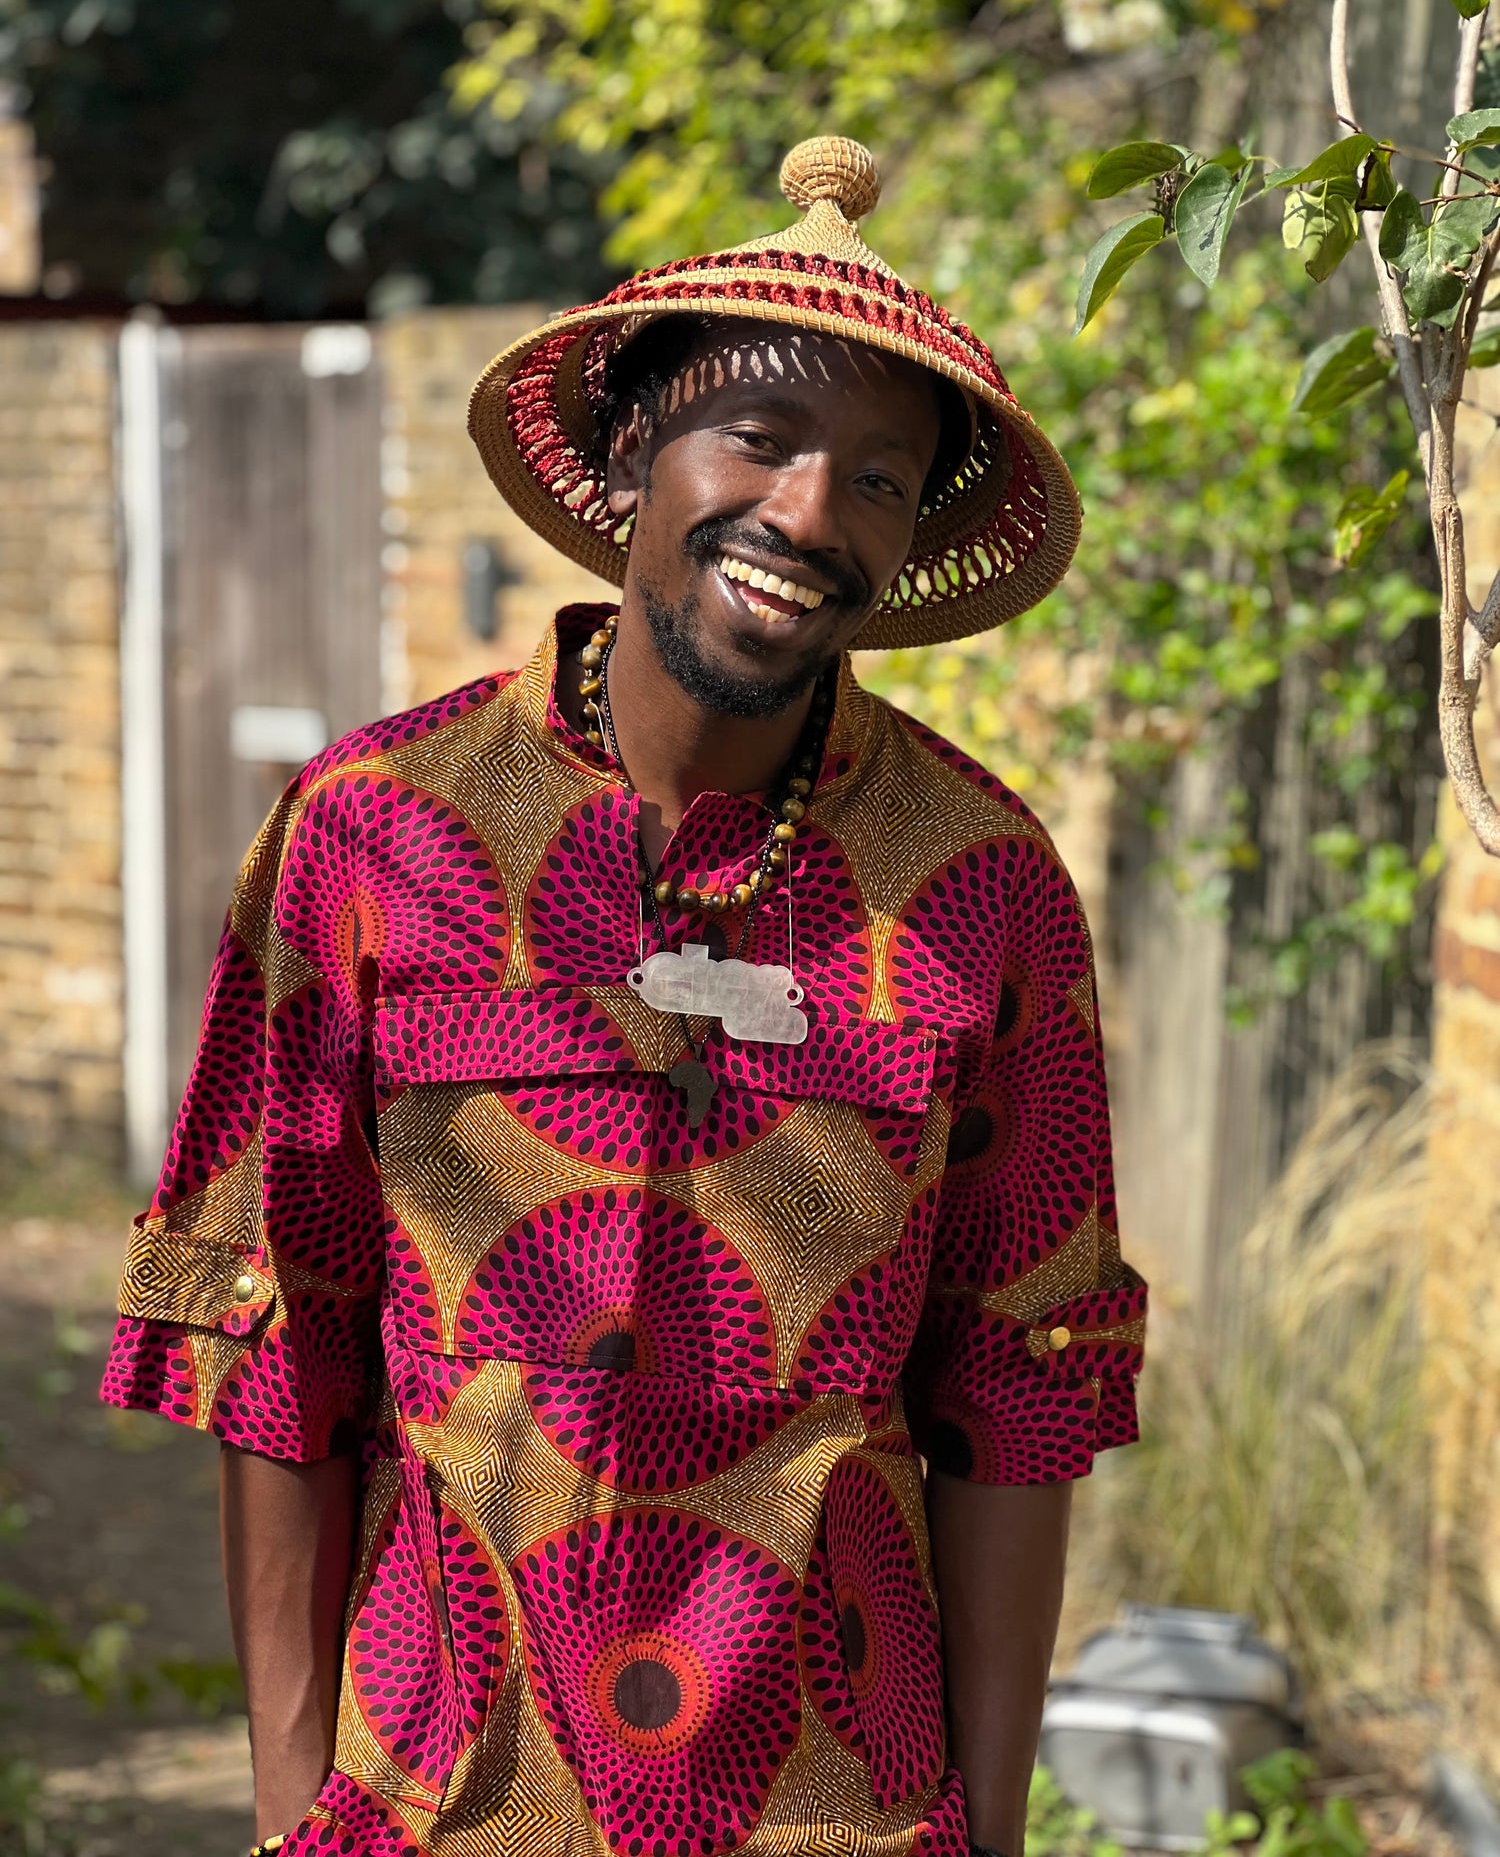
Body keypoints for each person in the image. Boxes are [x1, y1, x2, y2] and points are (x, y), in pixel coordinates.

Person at [101, 136, 1146, 1857]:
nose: (809, 514)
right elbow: (269, 1327)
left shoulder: (980, 883)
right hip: (442, 1797)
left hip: (837, 1810)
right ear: (625, 460)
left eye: (880, 481)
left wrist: (987, 1831)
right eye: (761, 437)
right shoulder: (377, 836)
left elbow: (1018, 1390)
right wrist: (298, 1809)